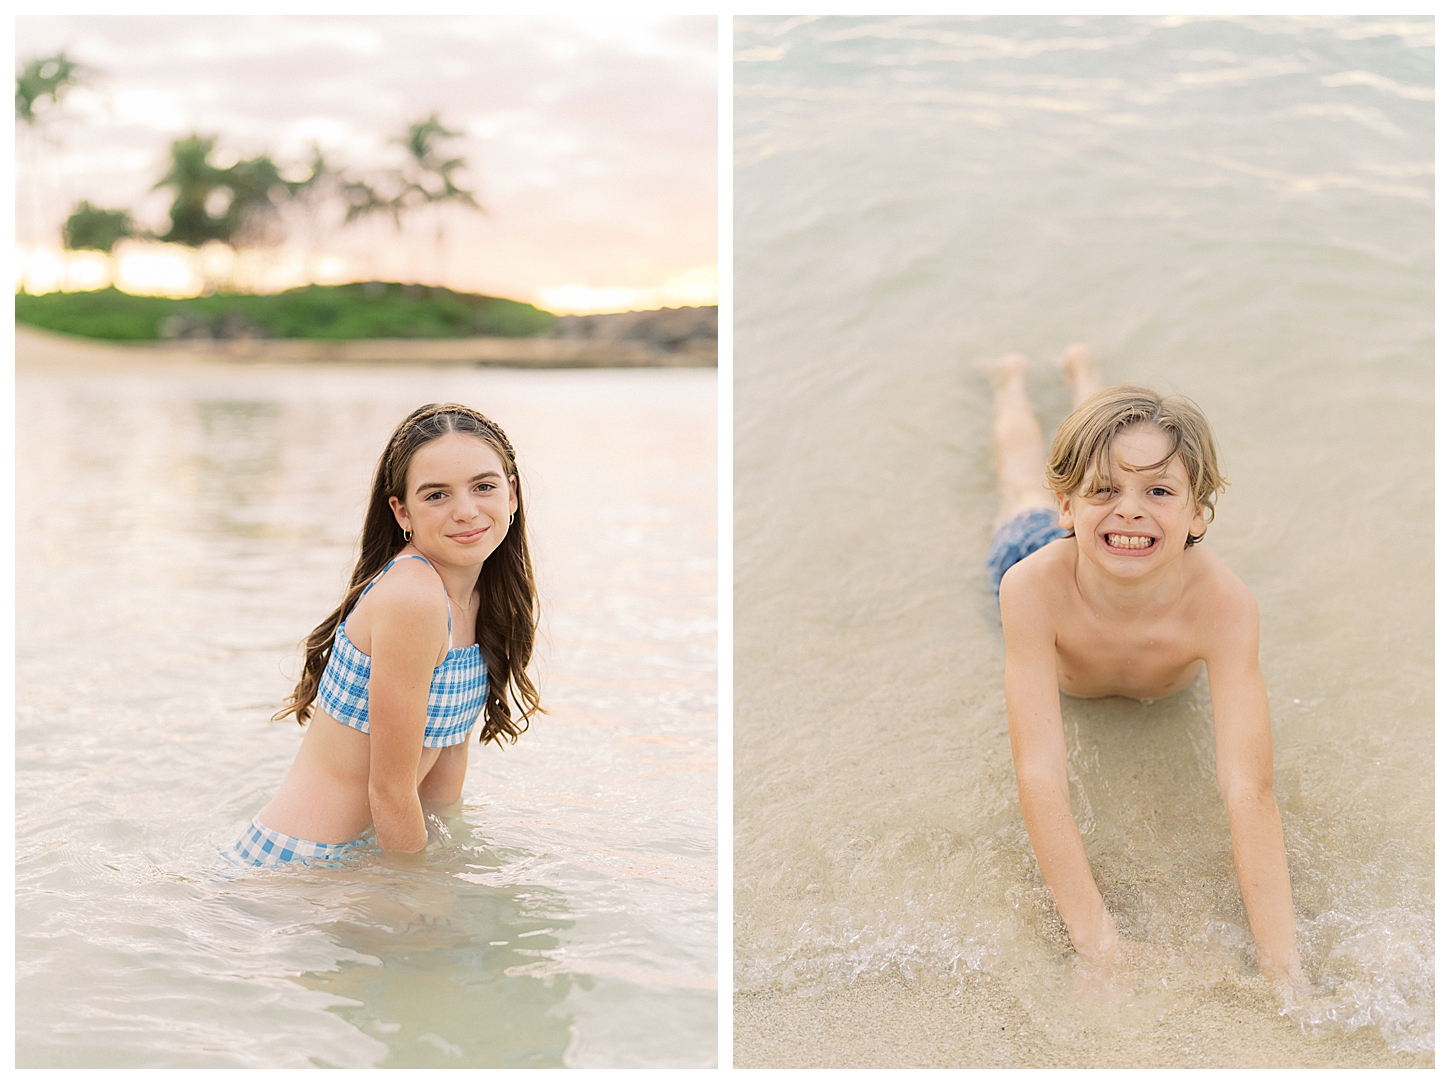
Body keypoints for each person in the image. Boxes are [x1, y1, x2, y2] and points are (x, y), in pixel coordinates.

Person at [989, 345, 1304, 985]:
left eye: (1159, 490)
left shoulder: (1225, 607)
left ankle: (1084, 376)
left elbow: (1249, 789)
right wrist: (1098, 943)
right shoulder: (1029, 589)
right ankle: (1009, 382)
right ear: (1070, 508)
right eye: (1104, 491)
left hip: (1095, 546)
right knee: (1020, 481)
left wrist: (1284, 967)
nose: (1131, 508)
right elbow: (1041, 774)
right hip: (1038, 547)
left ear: (1197, 514)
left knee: (1100, 447)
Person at [229, 403, 542, 866]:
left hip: (363, 856)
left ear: (511, 494)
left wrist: (450, 860)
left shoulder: (479, 602)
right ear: (402, 512)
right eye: (436, 495)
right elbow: (391, 789)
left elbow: (446, 757)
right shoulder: (413, 597)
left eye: (483, 486)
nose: (465, 511)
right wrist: (418, 893)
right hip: (299, 867)